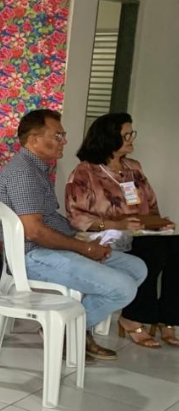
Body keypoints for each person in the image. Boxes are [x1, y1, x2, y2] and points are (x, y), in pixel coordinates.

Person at [0, 110, 144, 361]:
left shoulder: (38, 169)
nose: (64, 140)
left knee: (136, 268)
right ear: (34, 140)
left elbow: (47, 222)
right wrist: (84, 248)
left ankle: (75, 329)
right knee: (123, 288)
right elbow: (34, 231)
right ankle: (65, 331)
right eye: (58, 135)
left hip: (52, 248)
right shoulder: (24, 173)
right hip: (33, 255)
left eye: (63, 135)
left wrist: (84, 240)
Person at [64, 112, 176, 348]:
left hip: (138, 234)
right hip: (104, 235)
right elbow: (77, 217)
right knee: (153, 251)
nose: (131, 138)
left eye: (131, 133)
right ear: (108, 137)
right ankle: (133, 317)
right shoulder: (85, 172)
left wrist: (158, 222)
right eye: (126, 135)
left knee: (176, 246)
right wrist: (117, 225)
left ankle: (168, 317)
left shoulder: (133, 168)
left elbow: (150, 206)